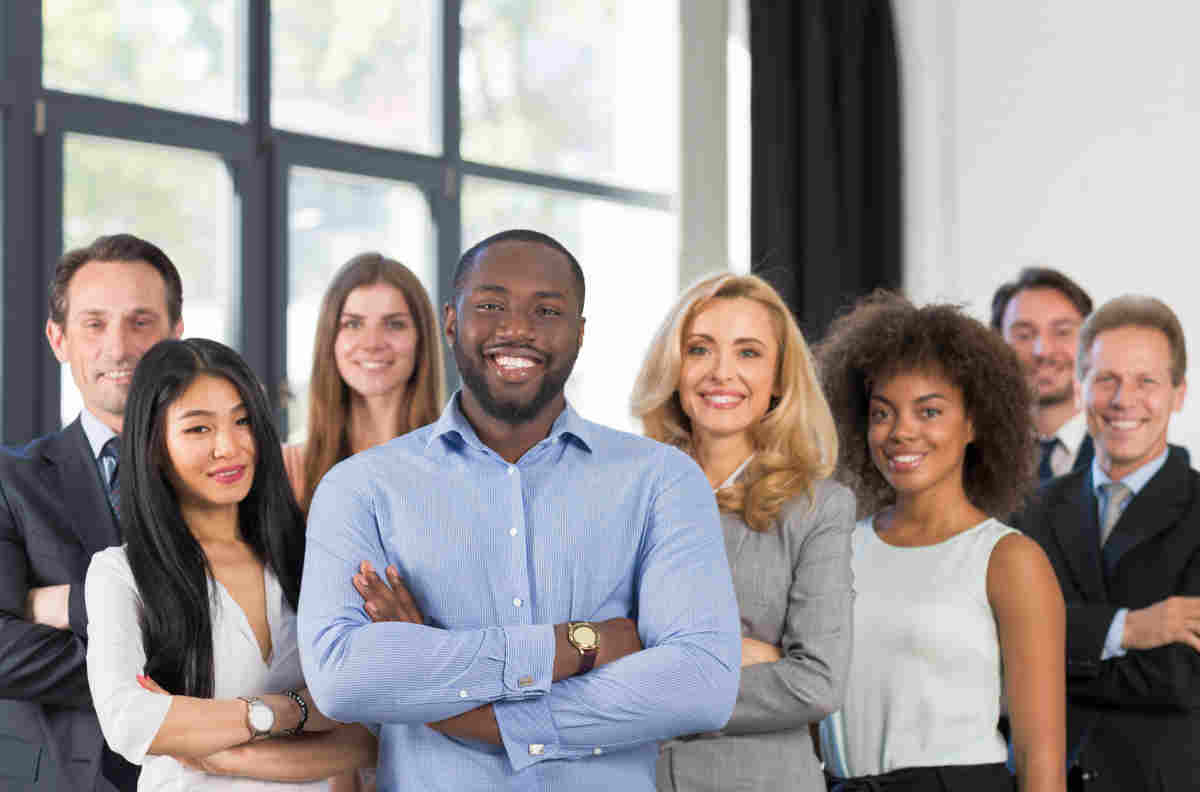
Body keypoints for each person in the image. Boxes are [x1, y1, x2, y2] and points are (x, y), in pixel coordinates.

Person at [297, 229, 741, 792]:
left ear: (580, 335)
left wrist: (446, 685)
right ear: (452, 322)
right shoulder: (360, 488)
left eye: (547, 310)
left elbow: (701, 682)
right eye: (491, 305)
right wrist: (578, 644)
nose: (516, 328)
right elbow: (343, 678)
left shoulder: (662, 481)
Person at [84, 338, 376, 790]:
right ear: (154, 445)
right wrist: (292, 709)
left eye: (242, 421)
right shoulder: (120, 574)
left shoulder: (313, 552)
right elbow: (128, 721)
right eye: (199, 429)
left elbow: (367, 735)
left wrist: (220, 753)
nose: (229, 446)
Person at [816, 292, 1066, 792]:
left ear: (974, 422)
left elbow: (1041, 754)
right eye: (883, 413)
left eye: (929, 412)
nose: (901, 432)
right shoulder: (836, 548)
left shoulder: (1008, 560)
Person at [630, 273, 854, 792]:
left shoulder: (818, 508)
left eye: (748, 353)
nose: (721, 373)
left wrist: (656, 680)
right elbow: (583, 645)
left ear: (778, 378)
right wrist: (738, 652)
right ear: (674, 367)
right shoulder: (624, 494)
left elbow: (816, 683)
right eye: (699, 350)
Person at [0, 234, 184, 791]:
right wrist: (173, 662)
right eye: (94, 323)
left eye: (140, 322)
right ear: (58, 339)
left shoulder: (229, 470)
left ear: (176, 335)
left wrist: (65, 605)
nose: (118, 347)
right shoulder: (12, 482)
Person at [1016, 296, 1200, 791]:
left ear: (1178, 393)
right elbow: (998, 641)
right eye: (1106, 379)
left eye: (1146, 382)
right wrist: (1128, 629)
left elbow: (1183, 678)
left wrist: (1050, 653)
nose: (1123, 400)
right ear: (1080, 389)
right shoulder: (1031, 508)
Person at [283, 252, 443, 512]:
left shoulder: (459, 469)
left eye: (394, 324)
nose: (372, 343)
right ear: (330, 339)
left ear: (420, 339)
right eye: (353, 324)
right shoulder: (287, 470)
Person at [992, 267, 1094, 484]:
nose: (1043, 351)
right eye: (1024, 335)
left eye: (1062, 332)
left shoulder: (1123, 450)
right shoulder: (975, 457)